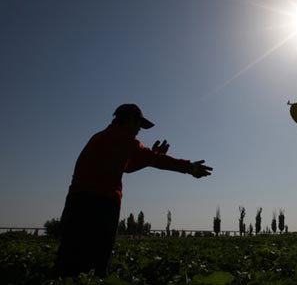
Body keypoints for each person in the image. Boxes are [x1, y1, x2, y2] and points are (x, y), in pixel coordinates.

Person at [55, 104, 213, 277]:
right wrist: (190, 168)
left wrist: (152, 155)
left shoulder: (100, 137)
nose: (139, 130)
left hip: (76, 202)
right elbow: (155, 161)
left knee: (69, 257)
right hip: (102, 203)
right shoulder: (125, 139)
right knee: (97, 261)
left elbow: (128, 167)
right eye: (139, 125)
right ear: (130, 120)